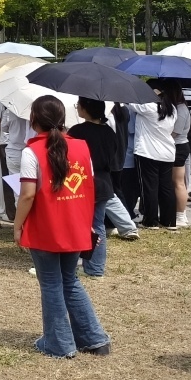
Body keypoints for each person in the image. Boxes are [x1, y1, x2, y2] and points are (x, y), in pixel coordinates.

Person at [13, 94, 111, 358]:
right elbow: (88, 187)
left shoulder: (31, 151)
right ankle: (94, 339)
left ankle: (59, 343)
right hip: (75, 224)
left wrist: (17, 226)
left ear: (34, 119)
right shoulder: (81, 147)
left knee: (51, 283)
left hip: (45, 226)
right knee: (69, 280)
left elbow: (27, 195)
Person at [68, 98, 123, 277]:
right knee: (98, 224)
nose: (77, 108)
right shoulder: (109, 132)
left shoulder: (77, 131)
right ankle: (95, 267)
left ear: (85, 109)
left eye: (78, 105)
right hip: (104, 182)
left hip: (82, 182)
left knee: (78, 223)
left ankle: (74, 263)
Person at [129, 85, 177, 229]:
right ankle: (169, 221)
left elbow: (129, 102)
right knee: (166, 188)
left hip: (148, 152)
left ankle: (150, 221)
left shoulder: (148, 107)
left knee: (149, 188)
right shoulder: (172, 108)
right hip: (167, 153)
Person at [157, 80, 191, 228]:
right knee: (175, 182)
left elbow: (175, 133)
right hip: (178, 146)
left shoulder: (181, 109)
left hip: (178, 146)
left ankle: (181, 215)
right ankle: (177, 213)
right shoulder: (177, 107)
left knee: (178, 182)